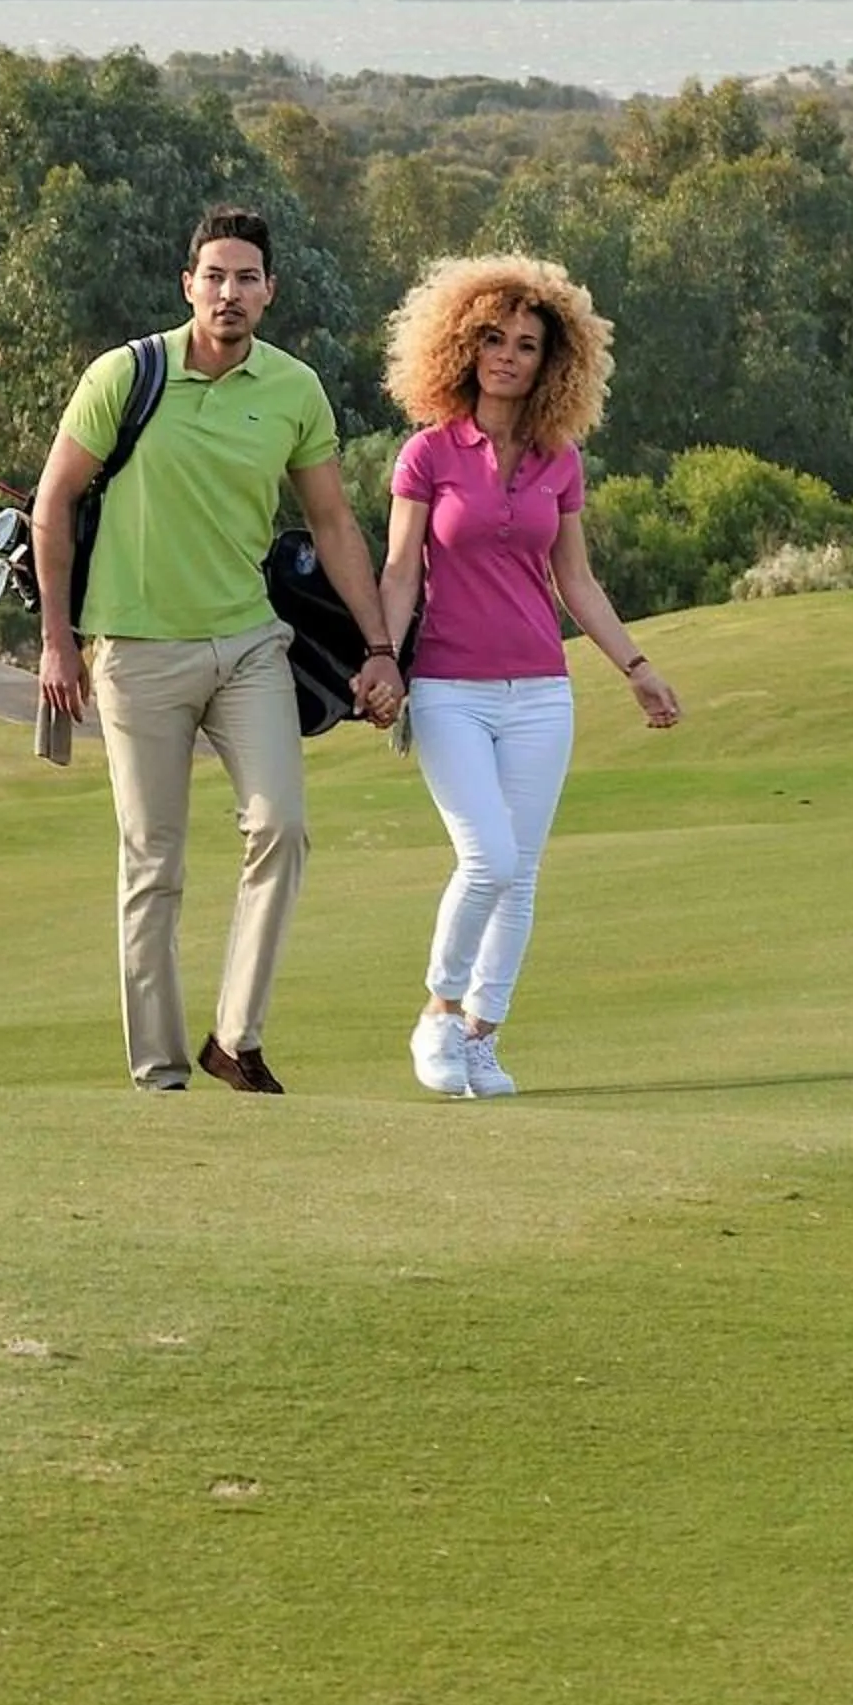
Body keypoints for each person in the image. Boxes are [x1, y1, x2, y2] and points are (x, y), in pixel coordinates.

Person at [31, 204, 406, 1094]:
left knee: (282, 826)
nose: (229, 292)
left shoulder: (295, 390)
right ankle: (160, 1075)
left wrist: (381, 646)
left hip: (247, 644)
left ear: (269, 291)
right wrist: (57, 641)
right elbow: (54, 504)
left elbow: (332, 522)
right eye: (214, 276)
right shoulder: (125, 376)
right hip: (136, 653)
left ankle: (237, 1040)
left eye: (246, 278)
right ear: (188, 286)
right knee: (153, 864)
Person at [374, 254, 682, 1099]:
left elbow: (575, 580)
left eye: (526, 345)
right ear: (462, 346)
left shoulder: (560, 461)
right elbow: (398, 573)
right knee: (489, 859)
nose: (507, 357)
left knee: (523, 874)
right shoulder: (428, 453)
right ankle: (438, 1014)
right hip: (450, 689)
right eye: (493, 340)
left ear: (553, 363)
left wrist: (637, 669)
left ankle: (482, 1036)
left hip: (542, 691)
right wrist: (382, 660)